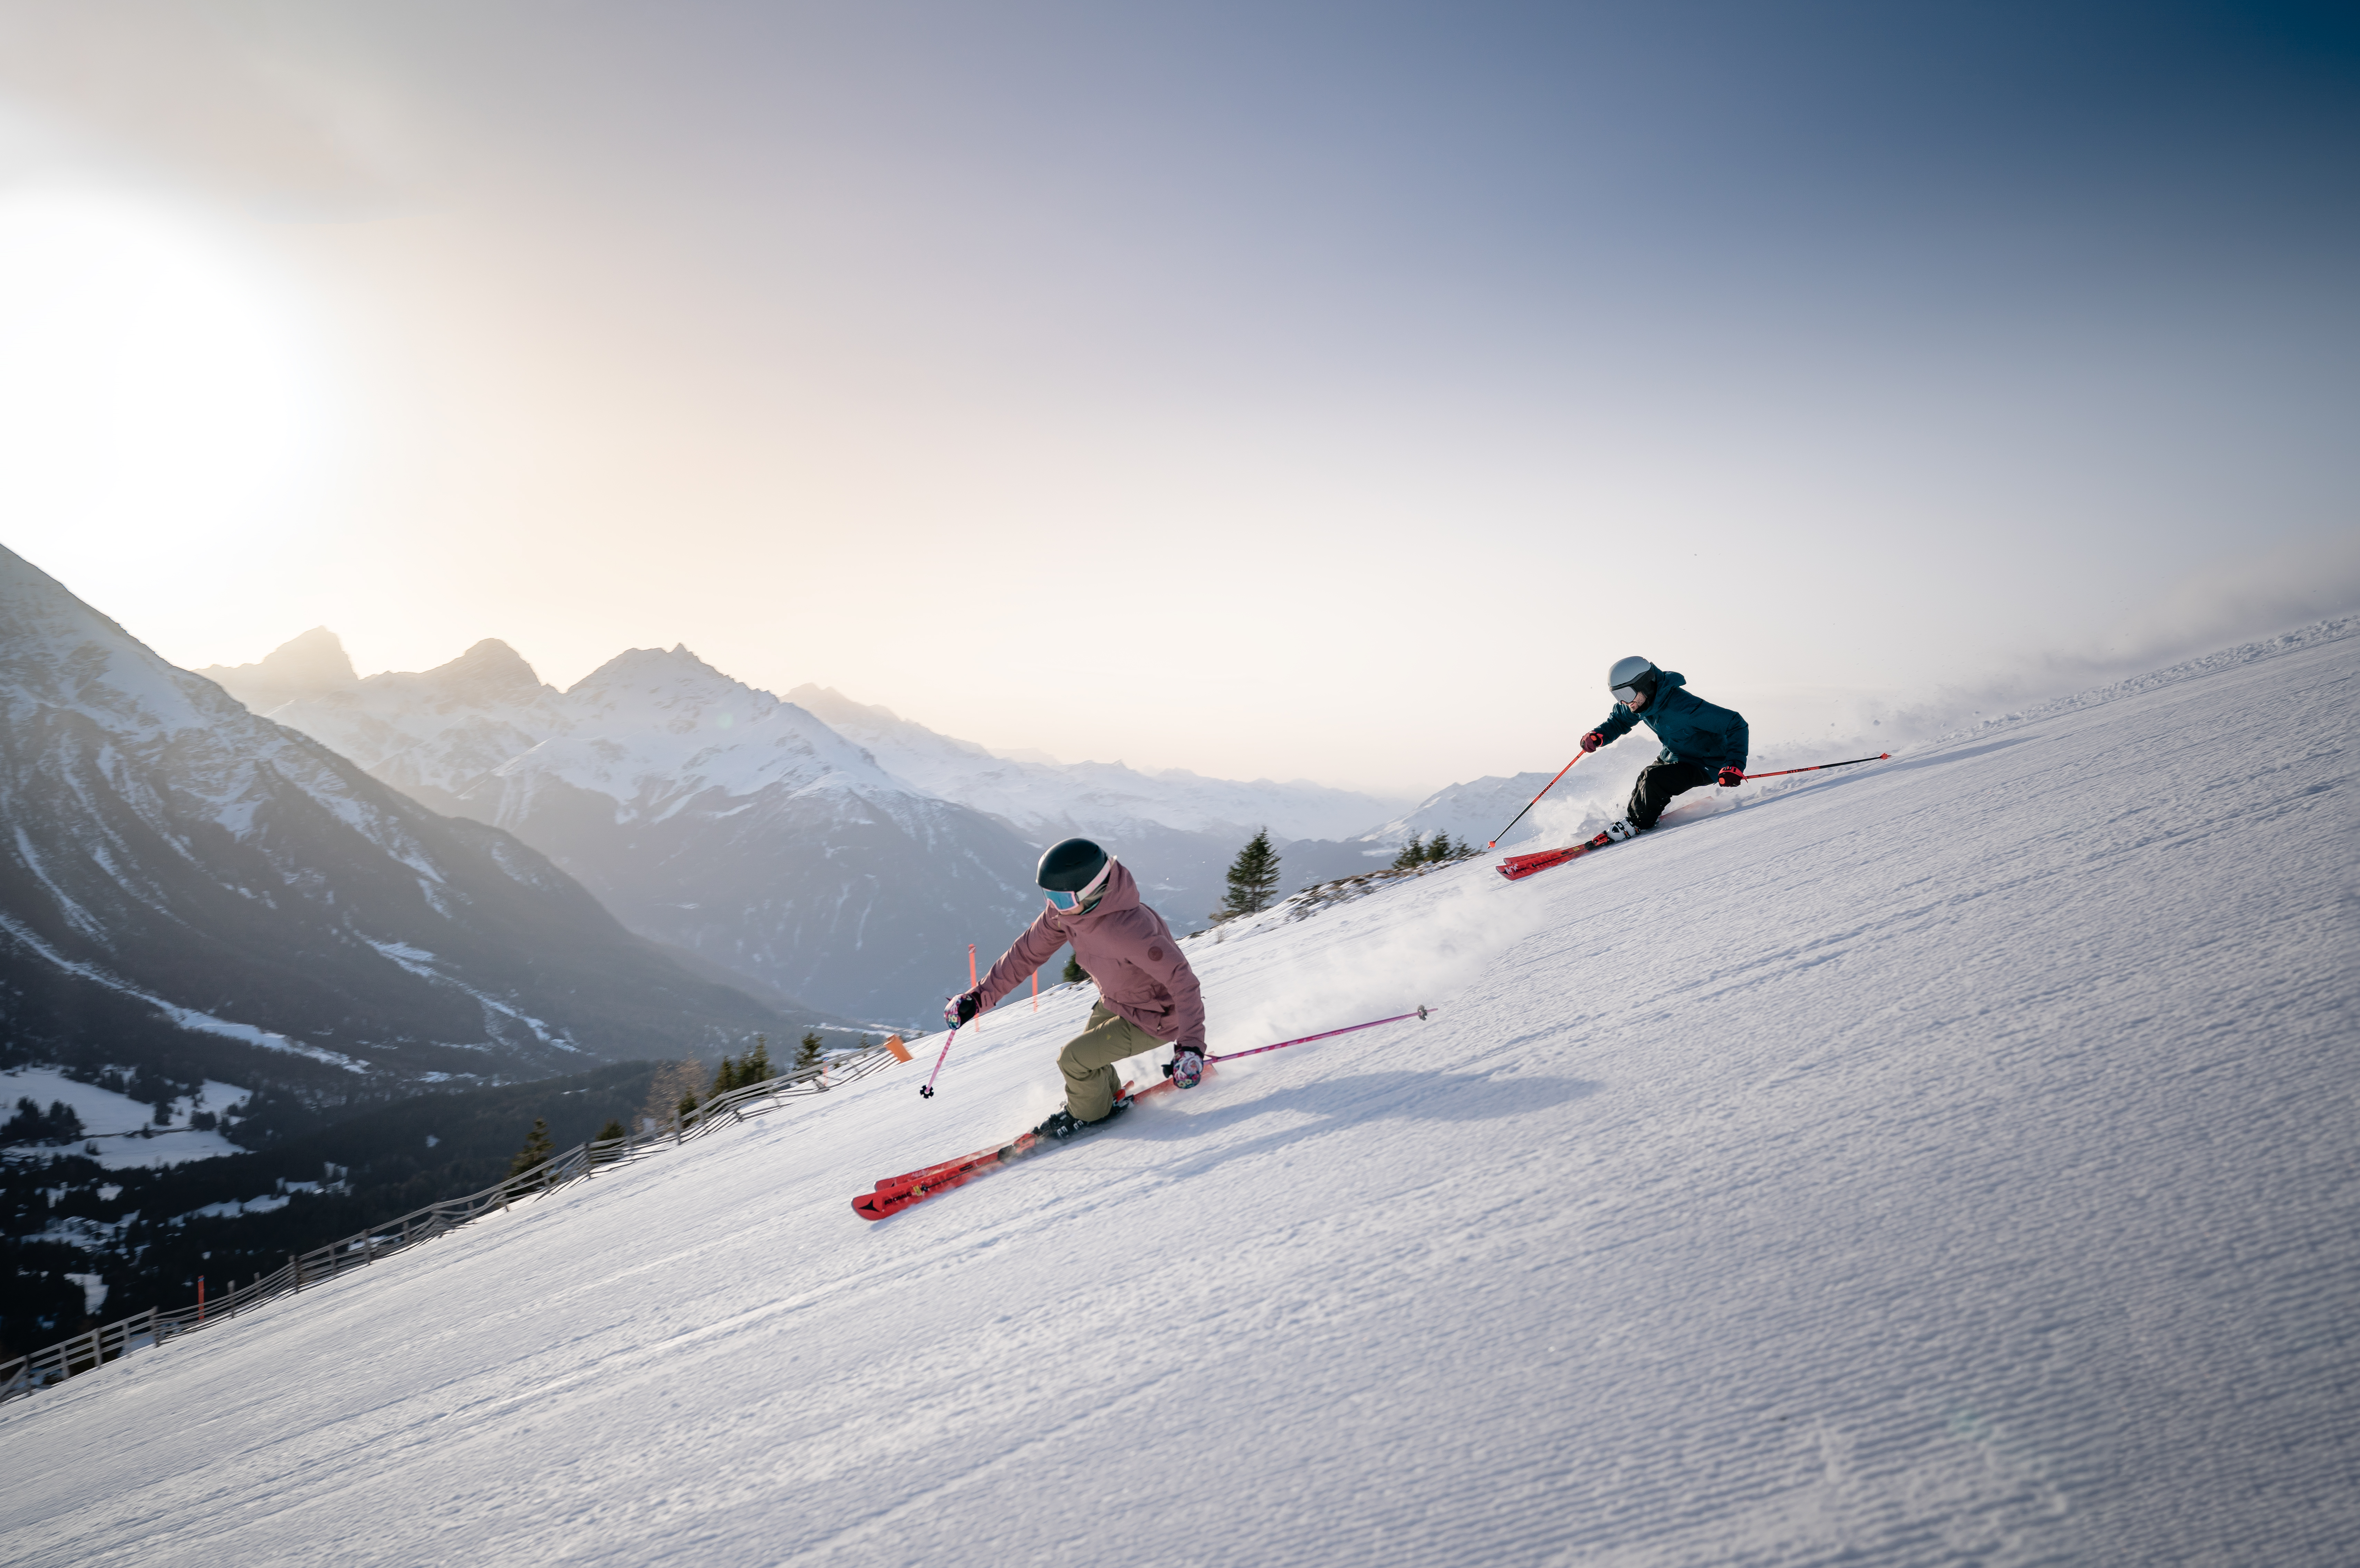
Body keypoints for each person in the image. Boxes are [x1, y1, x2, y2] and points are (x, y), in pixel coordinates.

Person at [946, 837, 1208, 1140]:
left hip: (1156, 1017)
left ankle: (1090, 1116)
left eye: (1063, 900)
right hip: (1117, 1001)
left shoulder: (1131, 930)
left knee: (1073, 1060)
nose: (1055, 909)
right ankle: (1102, 1098)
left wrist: (1190, 1047)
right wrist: (979, 997)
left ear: (1093, 890)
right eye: (1049, 897)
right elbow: (1025, 955)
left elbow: (1183, 982)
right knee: (1088, 1058)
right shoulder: (1066, 915)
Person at [1578, 656, 1750, 841]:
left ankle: (1639, 823)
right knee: (1646, 776)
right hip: (1676, 754)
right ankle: (1634, 819)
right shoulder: (1641, 702)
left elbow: (1735, 723)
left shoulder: (1684, 707)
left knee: (1655, 780)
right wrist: (1599, 735)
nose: (1626, 702)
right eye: (1618, 696)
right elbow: (1620, 720)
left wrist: (1734, 765)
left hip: (1708, 762)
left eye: (1627, 694)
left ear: (1645, 684)